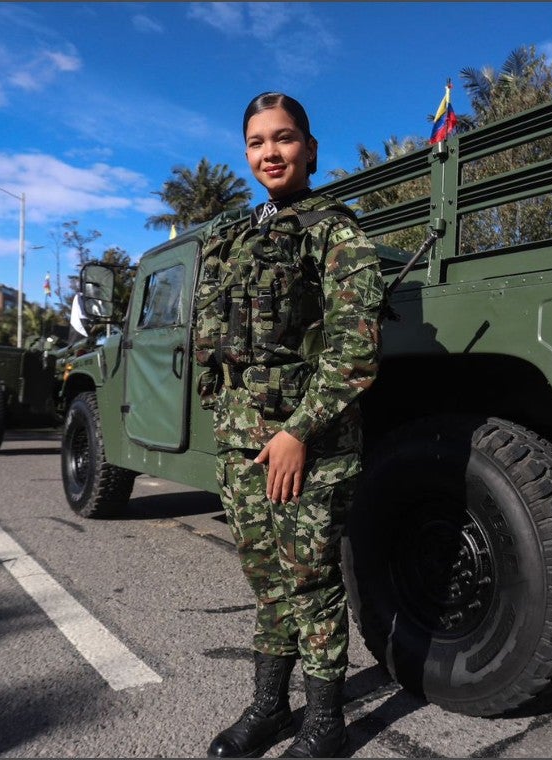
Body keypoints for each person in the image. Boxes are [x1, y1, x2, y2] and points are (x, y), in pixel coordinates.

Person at [195, 92, 384, 759]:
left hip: (308, 443)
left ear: (309, 148)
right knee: (265, 579)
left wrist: (299, 431)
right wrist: (223, 417)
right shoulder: (231, 233)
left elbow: (354, 350)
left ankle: (326, 723)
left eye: (283, 139)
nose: (269, 153)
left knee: (309, 578)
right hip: (242, 442)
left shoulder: (335, 231)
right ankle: (270, 707)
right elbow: (211, 336)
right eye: (256, 142)